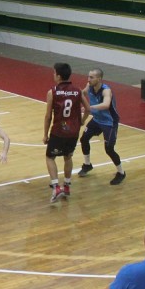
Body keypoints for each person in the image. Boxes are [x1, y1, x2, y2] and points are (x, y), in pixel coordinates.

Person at [44, 62, 91, 203]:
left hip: (59, 131)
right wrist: (82, 121)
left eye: (54, 73)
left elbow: (48, 116)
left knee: (50, 157)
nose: (53, 75)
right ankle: (67, 185)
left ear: (58, 76)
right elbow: (88, 109)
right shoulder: (77, 90)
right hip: (73, 131)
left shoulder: (52, 92)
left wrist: (45, 134)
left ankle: (56, 187)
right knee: (68, 156)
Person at [79, 68, 126, 185]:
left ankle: (121, 173)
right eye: (88, 77)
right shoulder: (89, 86)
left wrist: (90, 107)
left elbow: (106, 105)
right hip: (97, 119)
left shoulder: (106, 91)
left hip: (109, 123)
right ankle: (87, 165)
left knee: (109, 149)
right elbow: (83, 93)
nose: (88, 79)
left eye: (91, 77)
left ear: (99, 79)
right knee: (83, 139)